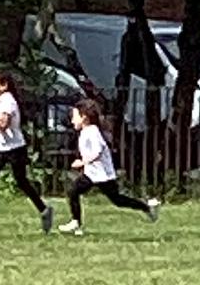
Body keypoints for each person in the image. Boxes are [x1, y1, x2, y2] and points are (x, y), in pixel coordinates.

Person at [0, 71, 54, 233]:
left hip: (15, 148)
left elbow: (4, 124)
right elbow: (0, 124)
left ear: (3, 86)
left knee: (21, 181)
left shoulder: (8, 101)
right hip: (1, 148)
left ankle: (44, 210)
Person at [62, 98, 160, 233]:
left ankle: (147, 206)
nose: (72, 120)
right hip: (92, 174)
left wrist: (82, 162)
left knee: (118, 200)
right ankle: (76, 222)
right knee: (74, 192)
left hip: (102, 174)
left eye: (74, 117)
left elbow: (98, 151)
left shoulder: (92, 131)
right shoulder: (86, 132)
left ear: (84, 117)